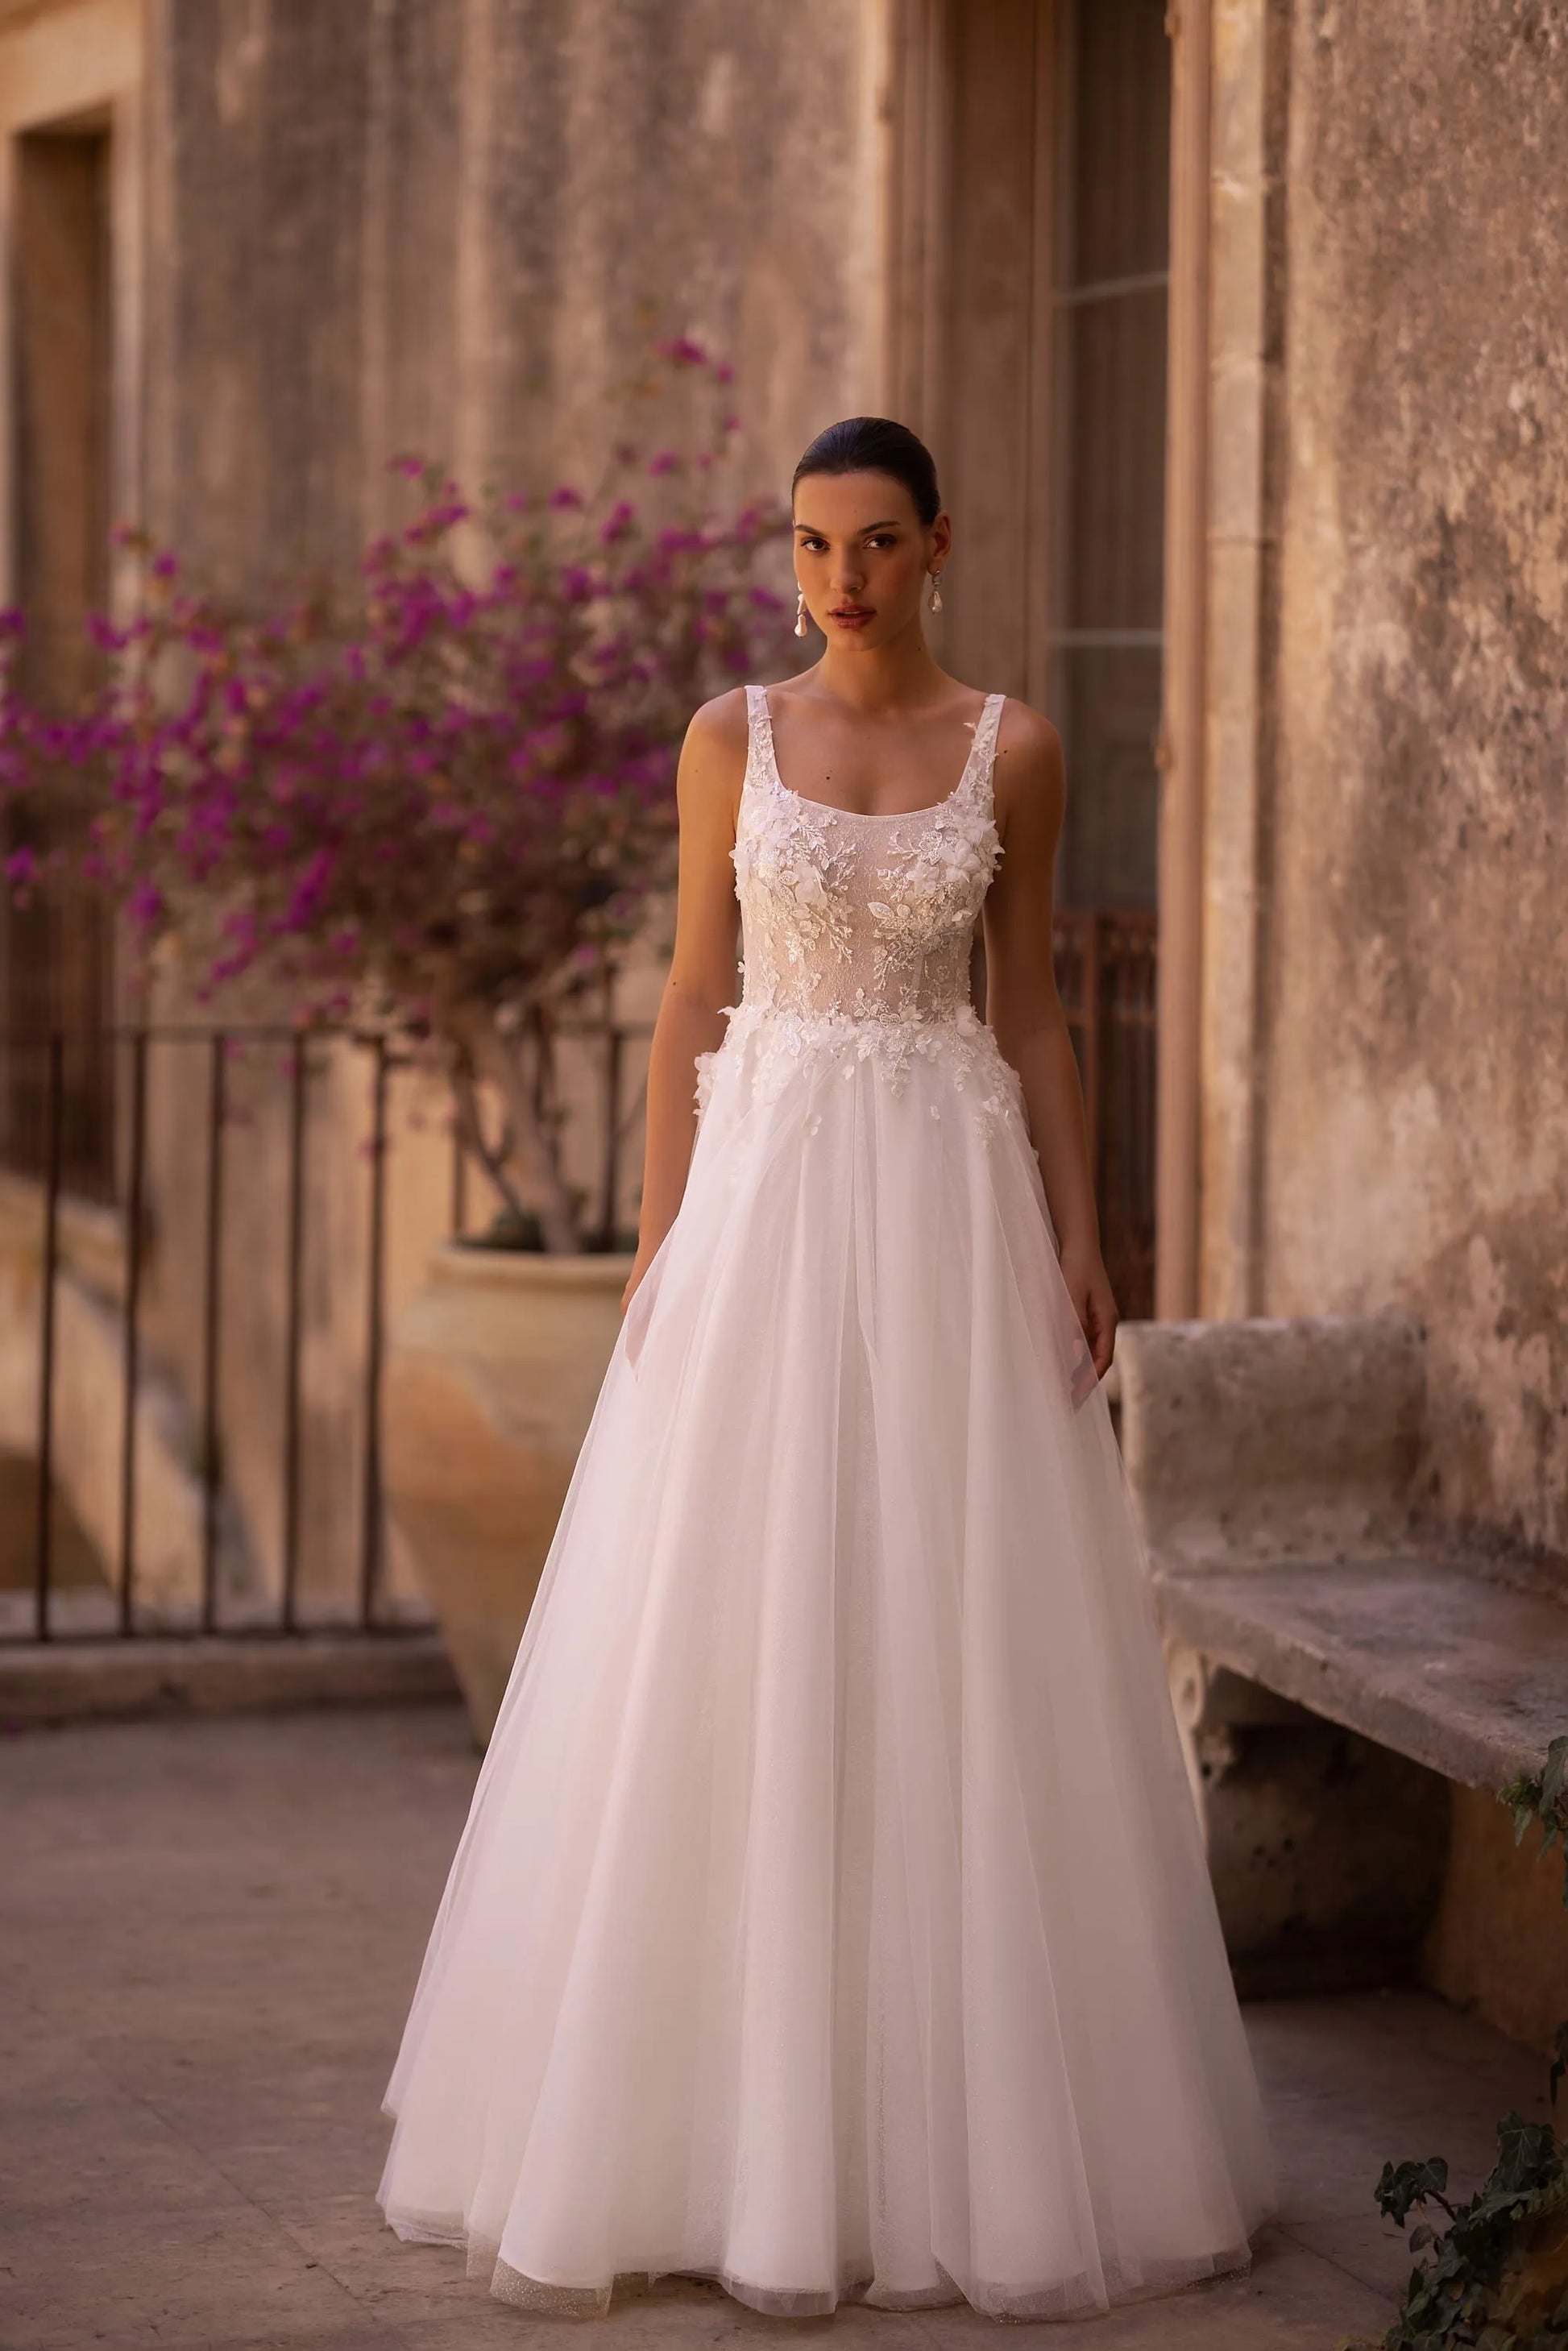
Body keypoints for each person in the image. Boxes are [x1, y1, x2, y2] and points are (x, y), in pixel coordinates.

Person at [376, 417, 1277, 2321]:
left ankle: (950, 2146)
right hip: (770, 1192)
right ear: (786, 556)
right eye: (809, 544)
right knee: (731, 1622)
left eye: (874, 542)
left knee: (945, 1641)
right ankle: (710, 2135)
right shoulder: (732, 738)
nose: (839, 577)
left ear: (939, 543)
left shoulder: (1009, 746)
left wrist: (1083, 1231)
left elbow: (1027, 1003)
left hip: (946, 1204)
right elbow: (694, 989)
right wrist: (660, 1232)